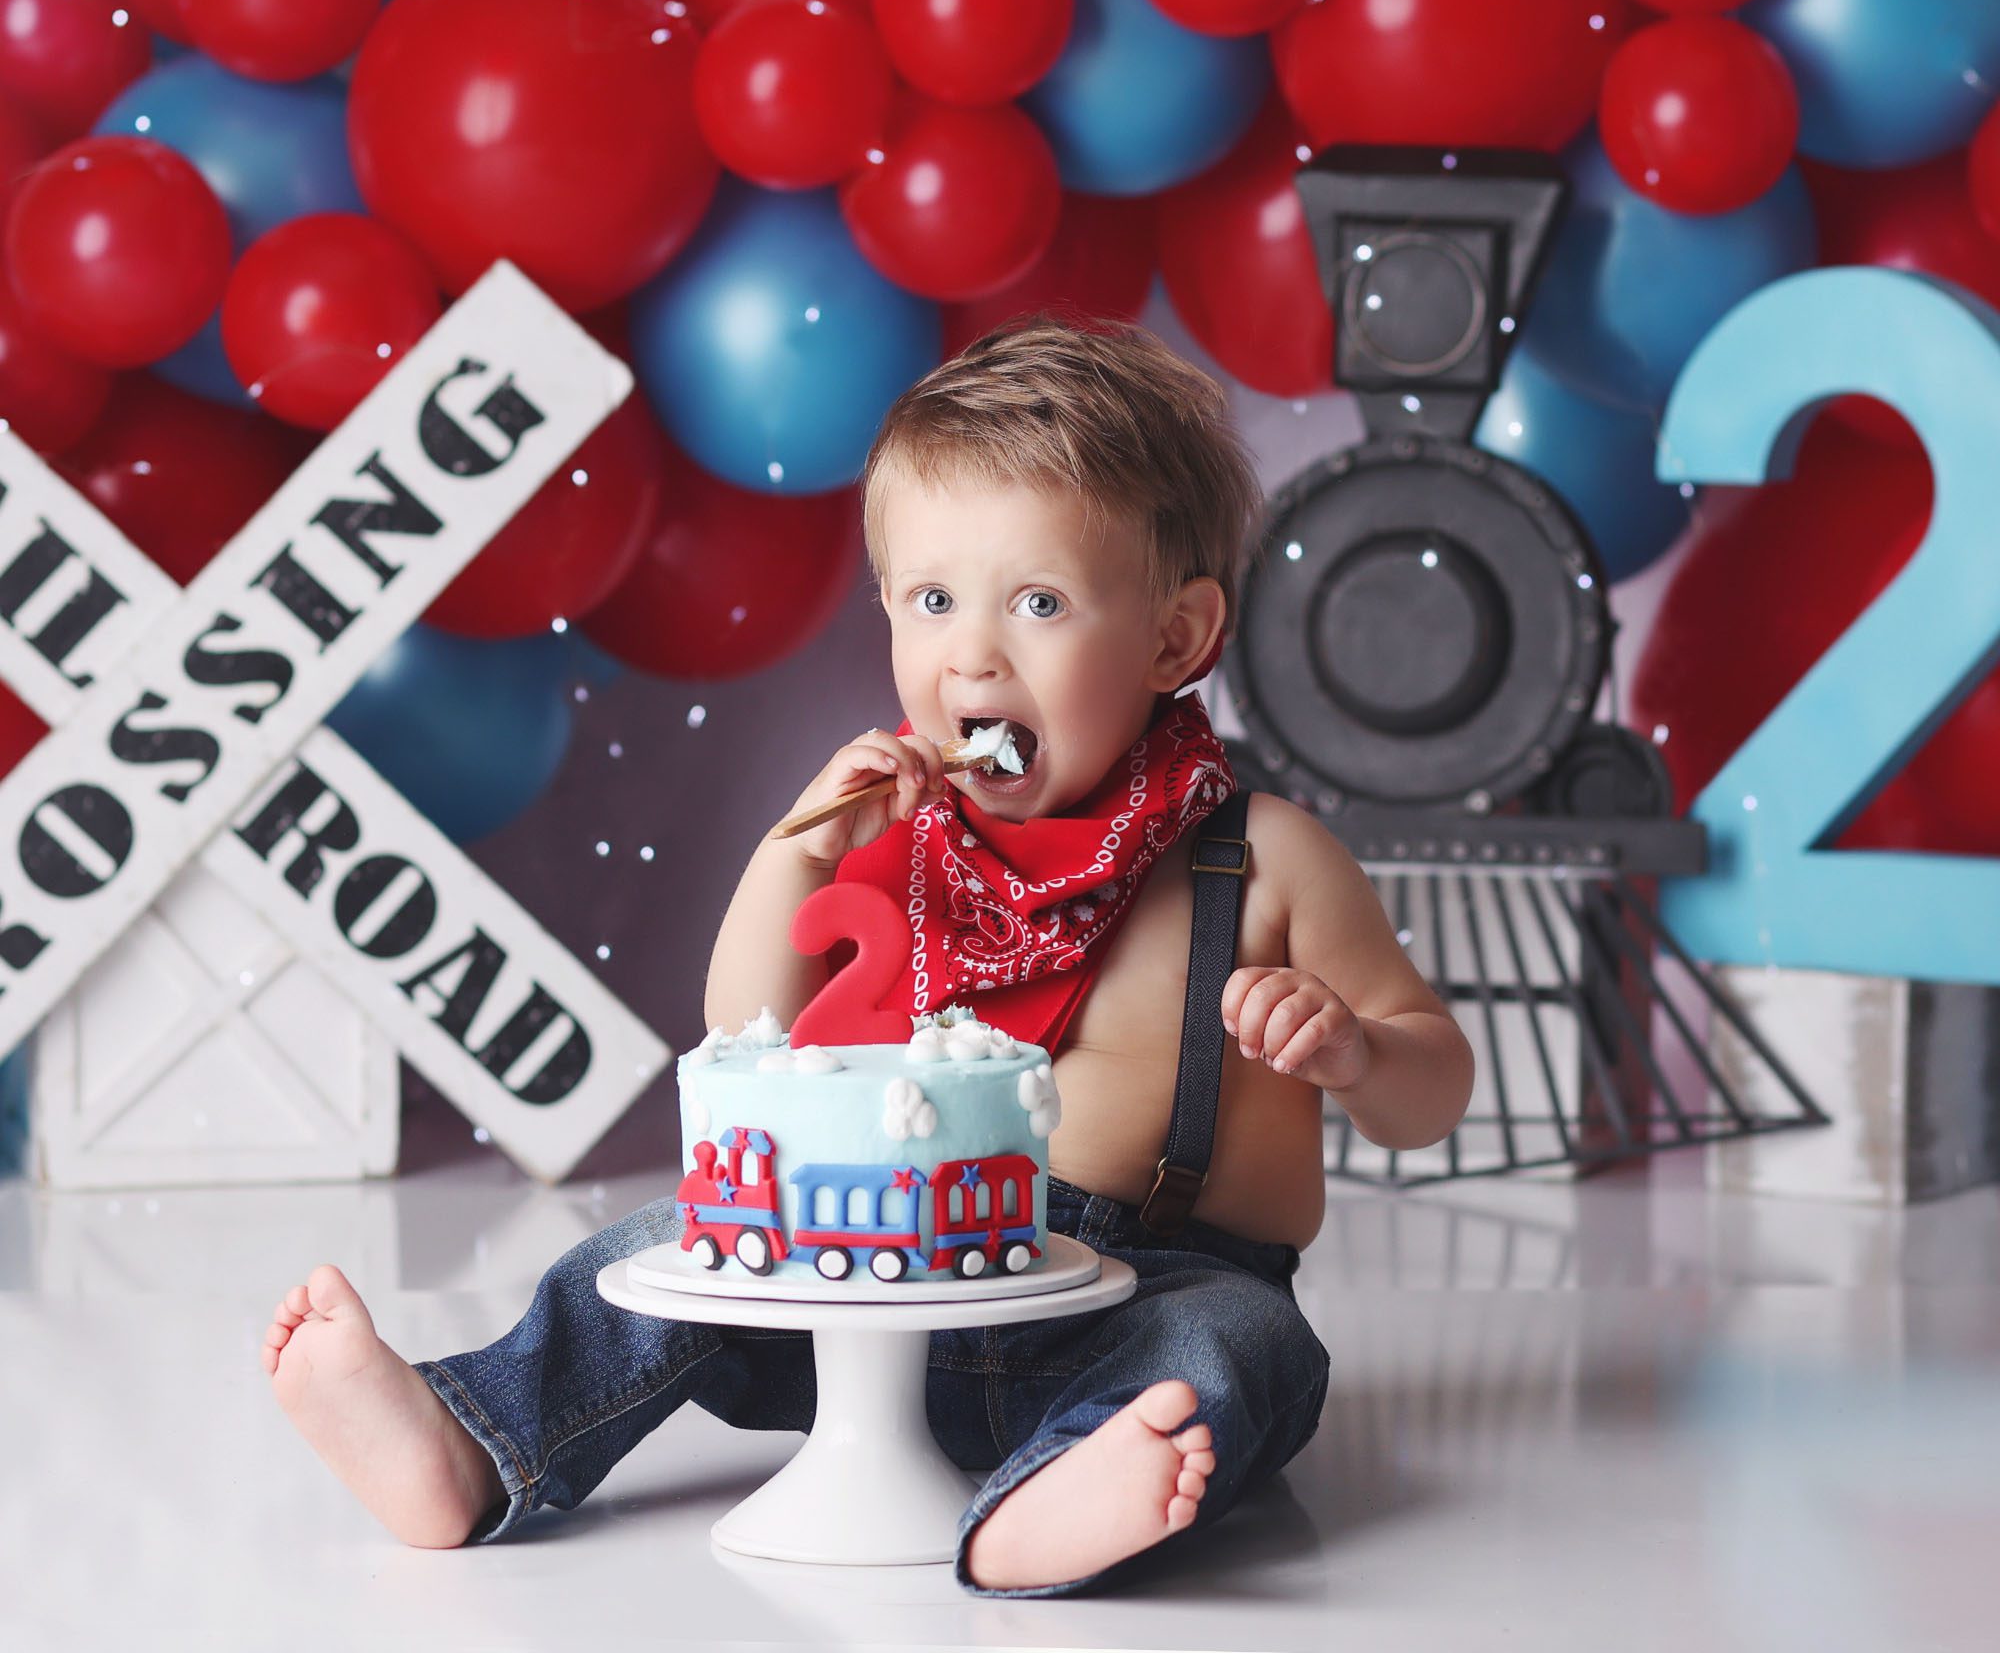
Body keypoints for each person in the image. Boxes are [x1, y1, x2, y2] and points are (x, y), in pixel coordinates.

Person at [262, 316, 1474, 1596]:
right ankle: (474, 1438)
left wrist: (1350, 1044)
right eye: (934, 600)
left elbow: (1430, 1089)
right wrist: (796, 848)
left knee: (1237, 1356)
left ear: (1174, 640)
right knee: (656, 1251)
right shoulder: (905, 830)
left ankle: (1050, 1499)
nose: (974, 652)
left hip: (1138, 1291)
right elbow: (749, 1031)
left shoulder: (1263, 859)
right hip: (877, 1287)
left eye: (1041, 602)